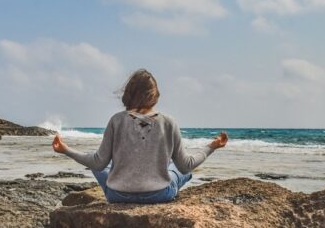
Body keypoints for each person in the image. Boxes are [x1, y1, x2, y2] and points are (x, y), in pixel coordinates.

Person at [52, 69, 228, 203]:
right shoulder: (169, 122)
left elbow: (98, 163)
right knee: (177, 168)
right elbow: (186, 165)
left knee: (97, 162)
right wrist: (212, 146)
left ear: (128, 94)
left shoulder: (116, 120)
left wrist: (66, 149)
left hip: (117, 195)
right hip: (159, 195)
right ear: (154, 95)